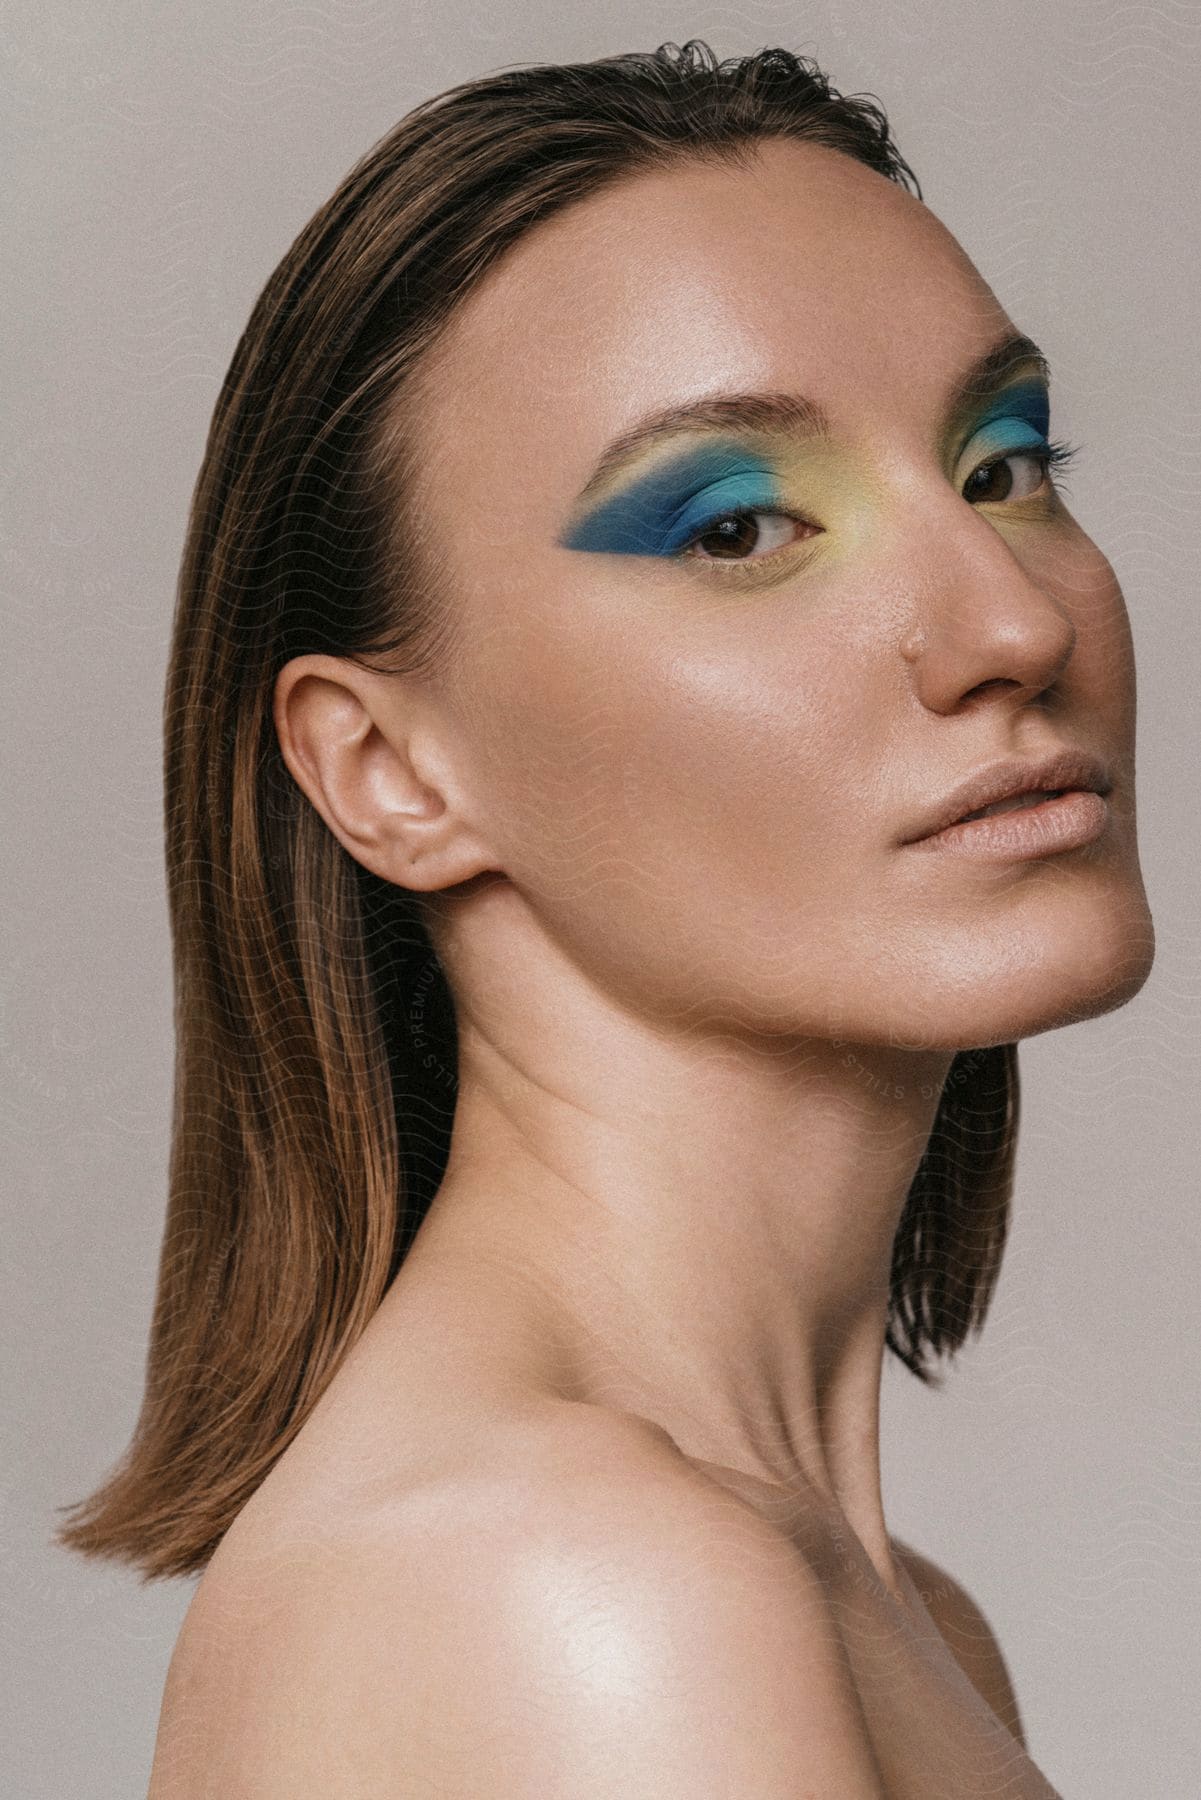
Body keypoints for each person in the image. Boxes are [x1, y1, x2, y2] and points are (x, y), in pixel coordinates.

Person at [57, 39, 1155, 1796]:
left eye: (999, 463)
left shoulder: (890, 1618)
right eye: (737, 527)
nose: (1008, 626)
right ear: (388, 771)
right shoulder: (583, 1597)